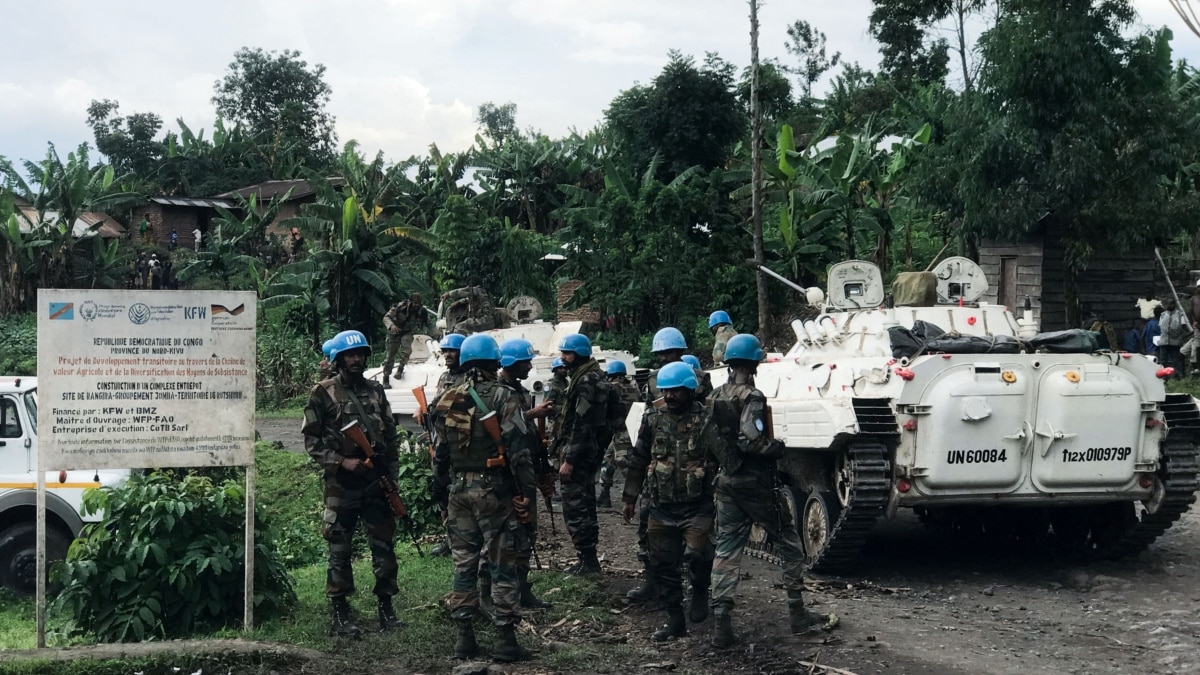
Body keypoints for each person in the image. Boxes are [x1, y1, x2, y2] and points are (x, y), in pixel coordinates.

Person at [708, 334, 835, 647]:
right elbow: (751, 438)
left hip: (727, 481)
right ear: (753, 363)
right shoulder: (752, 396)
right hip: (756, 484)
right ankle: (797, 614)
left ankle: (721, 624)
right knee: (791, 546)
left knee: (726, 550)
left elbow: (708, 438)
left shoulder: (714, 395)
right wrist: (776, 448)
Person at [431, 334, 536, 662]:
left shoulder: (446, 397)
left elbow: (440, 454)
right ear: (494, 362)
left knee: (464, 564)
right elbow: (519, 452)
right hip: (494, 492)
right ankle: (505, 640)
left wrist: (442, 490)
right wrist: (526, 497)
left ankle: (465, 639)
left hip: (459, 492)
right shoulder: (504, 396)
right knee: (500, 562)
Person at [301, 330, 404, 637]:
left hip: (375, 481)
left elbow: (390, 435)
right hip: (341, 484)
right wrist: (340, 461)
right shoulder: (323, 392)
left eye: (360, 353)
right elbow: (311, 439)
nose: (356, 359)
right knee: (339, 547)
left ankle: (387, 609)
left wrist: (391, 478)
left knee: (383, 546)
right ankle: (340, 613)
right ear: (339, 359)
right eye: (350, 354)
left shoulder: (375, 390)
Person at [622, 361, 721, 640]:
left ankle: (700, 590)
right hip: (661, 506)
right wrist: (630, 497)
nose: (670, 397)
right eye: (666, 392)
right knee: (663, 566)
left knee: (699, 556)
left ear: (690, 390)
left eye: (676, 391)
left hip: (698, 506)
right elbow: (639, 458)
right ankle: (674, 619)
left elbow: (722, 457)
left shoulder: (706, 419)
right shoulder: (653, 418)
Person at [627, 327, 711, 605]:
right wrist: (630, 494)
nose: (665, 357)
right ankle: (655, 581)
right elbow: (640, 451)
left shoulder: (698, 380)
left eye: (669, 352)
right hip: (660, 469)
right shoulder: (654, 382)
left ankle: (696, 589)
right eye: (661, 353)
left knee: (698, 550)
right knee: (651, 535)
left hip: (692, 468)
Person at [496, 338, 555, 610]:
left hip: (528, 465)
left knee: (527, 529)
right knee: (515, 532)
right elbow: (508, 425)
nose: (530, 366)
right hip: (511, 472)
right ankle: (511, 592)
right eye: (525, 362)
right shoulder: (499, 391)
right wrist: (534, 413)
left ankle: (523, 587)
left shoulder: (516, 388)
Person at [555, 333, 613, 575]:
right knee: (586, 502)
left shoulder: (585, 380)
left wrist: (569, 460)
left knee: (576, 505)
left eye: (567, 354)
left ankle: (587, 558)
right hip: (590, 450)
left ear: (578, 354)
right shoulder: (593, 375)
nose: (563, 358)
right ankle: (588, 558)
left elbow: (582, 422)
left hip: (580, 453)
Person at [419, 332, 467, 559]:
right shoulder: (444, 377)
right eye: (445, 351)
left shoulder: (469, 378)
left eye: (452, 351)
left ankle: (461, 540)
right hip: (439, 442)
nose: (448, 355)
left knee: (458, 491)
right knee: (441, 491)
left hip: (457, 444)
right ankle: (449, 538)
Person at [597, 361, 642, 509]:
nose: (610, 380)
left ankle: (640, 499)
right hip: (626, 431)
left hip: (625, 432)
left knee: (625, 464)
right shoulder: (635, 388)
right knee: (608, 461)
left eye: (612, 377)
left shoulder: (616, 387)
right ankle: (604, 495)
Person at [381, 293, 427, 388]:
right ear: (410, 302)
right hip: (394, 332)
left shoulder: (421, 311)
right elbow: (386, 317)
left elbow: (428, 323)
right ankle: (386, 378)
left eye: (418, 303)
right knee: (390, 356)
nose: (416, 305)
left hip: (406, 332)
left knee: (408, 350)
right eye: (415, 303)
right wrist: (391, 326)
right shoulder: (400, 307)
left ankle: (400, 369)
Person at [1159, 297, 1190, 378]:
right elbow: (1161, 327)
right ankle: (1164, 378)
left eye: (1172, 303)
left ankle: (1177, 377)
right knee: (1163, 361)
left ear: (1174, 305)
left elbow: (1184, 328)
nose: (1170, 305)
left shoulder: (1180, 315)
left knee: (1176, 361)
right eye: (1168, 303)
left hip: (1175, 342)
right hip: (1163, 341)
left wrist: (1181, 337)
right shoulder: (1162, 315)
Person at [544, 358, 569, 441]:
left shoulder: (566, 383)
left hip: (565, 420)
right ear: (555, 370)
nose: (564, 370)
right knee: (555, 444)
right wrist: (564, 408)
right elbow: (547, 405)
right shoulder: (552, 385)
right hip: (555, 422)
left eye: (565, 367)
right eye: (561, 368)